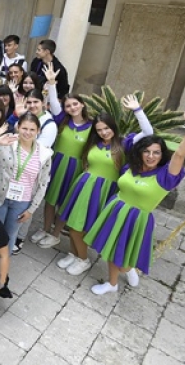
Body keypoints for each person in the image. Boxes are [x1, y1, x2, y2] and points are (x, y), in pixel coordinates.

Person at [86, 109, 185, 294]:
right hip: (116, 210)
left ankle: (128, 269)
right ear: (140, 152)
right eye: (147, 152)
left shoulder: (166, 176)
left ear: (162, 155)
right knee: (109, 250)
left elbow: (179, 155)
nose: (151, 156)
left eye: (156, 153)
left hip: (136, 219)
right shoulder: (130, 167)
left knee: (123, 259)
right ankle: (112, 284)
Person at [55, 109, 152, 276]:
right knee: (72, 224)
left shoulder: (124, 144)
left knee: (81, 227)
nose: (103, 132)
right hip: (83, 185)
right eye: (99, 129)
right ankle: (74, 254)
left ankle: (83, 259)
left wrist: (137, 110)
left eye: (106, 128)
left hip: (102, 191)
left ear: (113, 127)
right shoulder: (94, 142)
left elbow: (148, 132)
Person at [30, 64, 94, 250]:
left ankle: (56, 234)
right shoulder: (62, 121)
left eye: (75, 103)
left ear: (82, 104)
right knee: (49, 198)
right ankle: (45, 228)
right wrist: (51, 84)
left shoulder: (92, 126)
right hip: (57, 163)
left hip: (76, 168)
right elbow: (55, 105)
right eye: (68, 105)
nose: (72, 107)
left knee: (65, 202)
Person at [0, 112, 53, 255]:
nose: (28, 133)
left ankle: (1, 266)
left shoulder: (44, 154)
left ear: (38, 131)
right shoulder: (7, 142)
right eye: (24, 128)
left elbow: (43, 183)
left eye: (32, 129)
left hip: (21, 202)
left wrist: (32, 209)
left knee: (9, 235)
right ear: (18, 127)